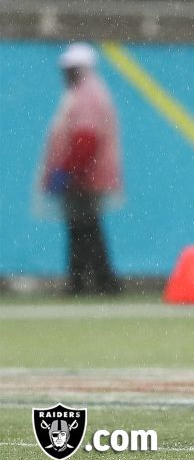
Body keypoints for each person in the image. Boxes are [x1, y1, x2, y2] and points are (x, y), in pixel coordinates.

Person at [39, 43, 123, 296]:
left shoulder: (87, 96)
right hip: (85, 174)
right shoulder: (89, 93)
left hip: (85, 177)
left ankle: (88, 282)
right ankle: (98, 281)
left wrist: (69, 169)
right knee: (86, 228)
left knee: (83, 228)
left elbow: (85, 137)